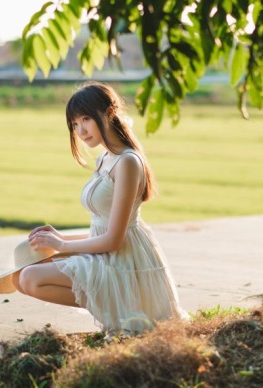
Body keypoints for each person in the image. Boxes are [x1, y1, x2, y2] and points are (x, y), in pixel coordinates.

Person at [10, 81, 187, 334]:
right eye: (74, 124)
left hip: (122, 260)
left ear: (108, 114)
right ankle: (115, 310)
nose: (80, 130)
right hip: (104, 252)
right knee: (20, 276)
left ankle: (120, 309)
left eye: (85, 119)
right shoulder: (105, 158)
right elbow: (101, 231)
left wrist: (62, 247)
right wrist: (60, 239)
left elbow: (114, 239)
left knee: (29, 278)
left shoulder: (127, 162)